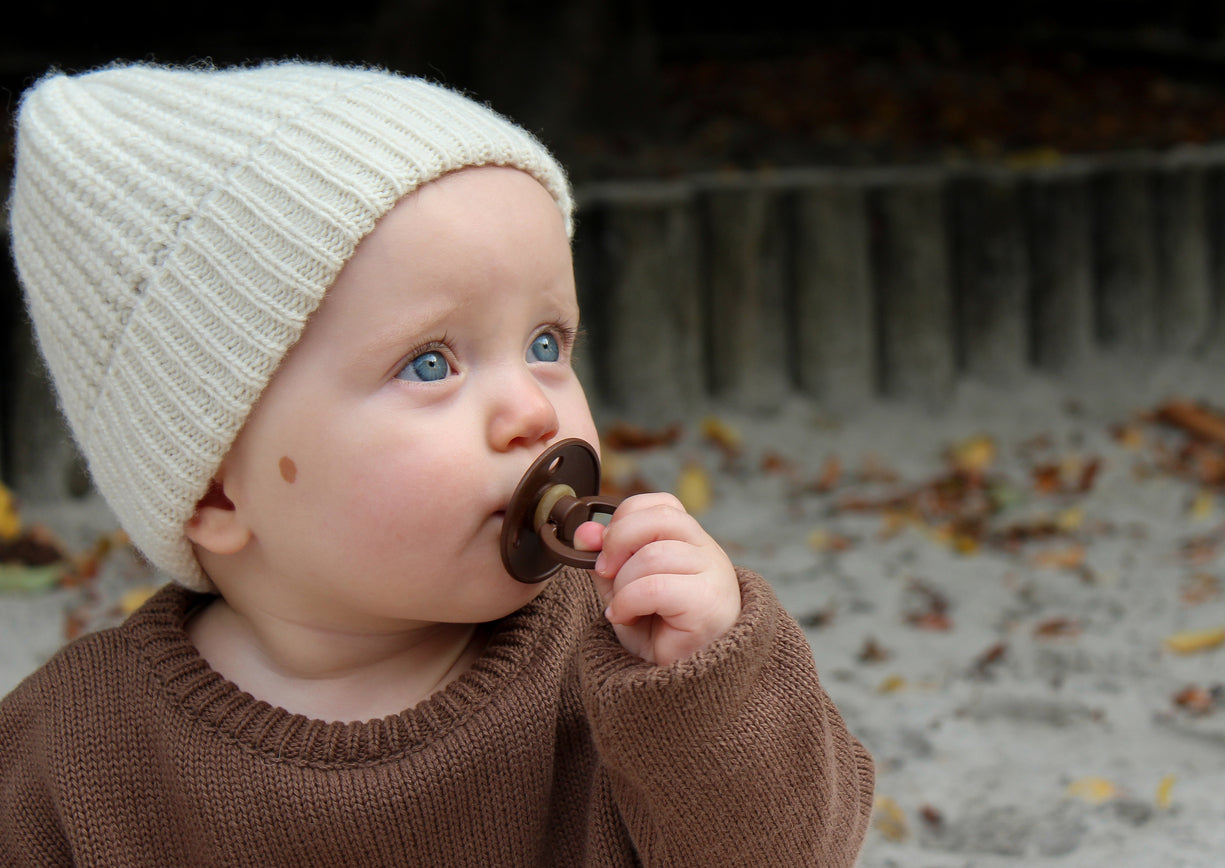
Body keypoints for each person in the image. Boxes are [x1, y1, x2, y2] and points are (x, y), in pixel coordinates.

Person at [1, 61, 874, 865]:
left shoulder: (623, 656)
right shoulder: (74, 751)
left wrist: (709, 688)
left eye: (546, 344)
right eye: (429, 364)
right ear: (219, 493)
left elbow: (800, 853)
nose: (532, 410)